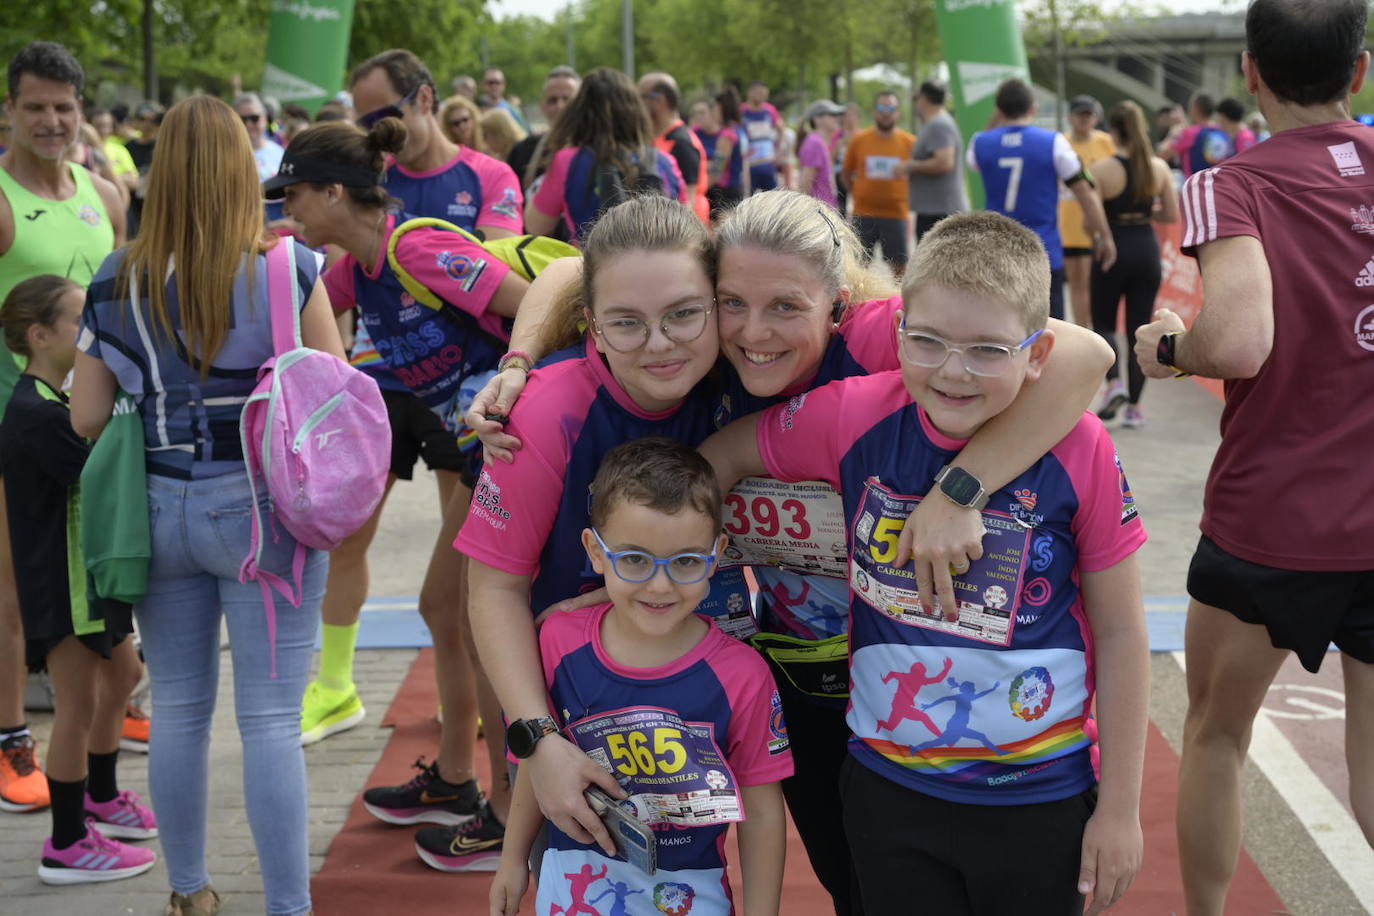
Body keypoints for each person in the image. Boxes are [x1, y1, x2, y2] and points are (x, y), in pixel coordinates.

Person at [464, 190, 1117, 916]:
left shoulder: (876, 341)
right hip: (779, 690)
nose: (752, 332)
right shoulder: (673, 365)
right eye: (730, 304)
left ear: (835, 305)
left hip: (910, 695)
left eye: (782, 309)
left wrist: (960, 489)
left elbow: (1082, 353)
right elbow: (577, 274)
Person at [700, 211, 1150, 916]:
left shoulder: (1081, 446)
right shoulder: (851, 415)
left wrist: (1121, 809)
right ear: (899, 330)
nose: (952, 370)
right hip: (887, 794)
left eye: (987, 351)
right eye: (929, 342)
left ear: (1036, 356)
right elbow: (721, 456)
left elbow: (1123, 631)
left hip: (1042, 799)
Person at [69, 95, 346, 916]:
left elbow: (86, 416)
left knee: (182, 710)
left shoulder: (117, 276)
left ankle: (189, 893)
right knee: (268, 720)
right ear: (239, 168)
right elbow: (332, 394)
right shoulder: (285, 269)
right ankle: (289, 905)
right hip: (266, 513)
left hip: (157, 509)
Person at [1132, 1, 1374, 912]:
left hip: (1274, 519)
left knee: (1217, 737)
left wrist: (1168, 346)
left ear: (1249, 72)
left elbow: (1235, 342)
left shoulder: (1229, 183)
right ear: (1358, 73)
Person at [267, 117, 526, 872]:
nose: (287, 211)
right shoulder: (358, 262)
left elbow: (534, 300)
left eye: (294, 196)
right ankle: (454, 777)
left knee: (477, 619)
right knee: (442, 608)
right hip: (474, 450)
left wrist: (510, 384)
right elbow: (290, 281)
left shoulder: (417, 246)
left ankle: (508, 814)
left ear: (334, 192)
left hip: (507, 446)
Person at [488, 437, 791, 916]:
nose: (660, 585)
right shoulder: (558, 643)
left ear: (717, 555)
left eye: (687, 561)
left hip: (691, 896)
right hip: (575, 889)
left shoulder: (744, 675)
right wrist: (512, 859)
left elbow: (763, 813)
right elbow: (538, 761)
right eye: (634, 559)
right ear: (595, 551)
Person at [0, 40, 125, 818]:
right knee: (14, 590)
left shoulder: (103, 192)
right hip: (14, 426)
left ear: (81, 113)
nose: (50, 120)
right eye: (35, 106)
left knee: (94, 579)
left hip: (89, 426)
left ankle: (98, 717)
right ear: (8, 110)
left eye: (63, 107)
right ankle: (14, 736)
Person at [0, 275, 157, 885]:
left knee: (125, 675)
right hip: (64, 586)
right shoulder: (36, 413)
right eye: (77, 322)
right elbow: (100, 473)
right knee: (77, 704)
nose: (90, 333)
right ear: (40, 336)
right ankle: (66, 842)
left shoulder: (55, 400)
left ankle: (100, 796)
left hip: (86, 576)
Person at [969, 78, 1115, 322]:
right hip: (1042, 249)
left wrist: (998, 116)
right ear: (1033, 108)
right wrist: (1104, 235)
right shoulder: (1054, 142)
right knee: (1048, 325)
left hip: (997, 247)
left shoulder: (980, 143)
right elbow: (1084, 192)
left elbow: (975, 159)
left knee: (1002, 324)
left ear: (1000, 109)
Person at [349, 49, 523, 241]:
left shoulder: (493, 176)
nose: (380, 133)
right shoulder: (371, 184)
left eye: (386, 117)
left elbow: (494, 266)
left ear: (424, 98)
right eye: (368, 125)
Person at [1089, 101, 1179, 429]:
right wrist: (1142, 214)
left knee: (1104, 323)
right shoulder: (1157, 168)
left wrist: (1114, 219)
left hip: (1113, 249)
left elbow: (1091, 223)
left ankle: (1114, 384)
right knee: (1139, 329)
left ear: (1112, 130)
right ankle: (1135, 409)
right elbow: (1170, 214)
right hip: (1145, 248)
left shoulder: (1101, 170)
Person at [525, 68, 686, 246]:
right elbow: (686, 223)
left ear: (578, 112)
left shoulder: (568, 160)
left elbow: (536, 225)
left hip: (597, 268)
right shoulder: (665, 161)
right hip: (662, 267)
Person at [842, 91, 916, 276]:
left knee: (900, 268)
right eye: (882, 107)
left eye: (890, 108)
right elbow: (845, 173)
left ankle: (900, 304)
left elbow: (918, 175)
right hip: (863, 212)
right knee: (858, 268)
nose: (886, 112)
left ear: (898, 112)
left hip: (896, 214)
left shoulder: (909, 142)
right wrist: (857, 193)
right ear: (875, 112)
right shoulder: (859, 141)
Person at [1059, 96, 1117, 328]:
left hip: (1102, 221)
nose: (1084, 119)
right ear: (1070, 117)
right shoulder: (1060, 142)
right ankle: (1083, 330)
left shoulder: (1106, 142)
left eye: (1088, 114)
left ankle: (1099, 330)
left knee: (1101, 285)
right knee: (1078, 284)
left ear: (1096, 117)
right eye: (1079, 114)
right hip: (1069, 222)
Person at [639, 71, 710, 223]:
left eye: (641, 97)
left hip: (682, 231)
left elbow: (689, 200)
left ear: (659, 101)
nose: (637, 105)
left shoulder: (682, 142)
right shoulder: (658, 137)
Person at [904, 80, 968, 243]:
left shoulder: (939, 125)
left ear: (924, 98)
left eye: (916, 98)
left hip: (940, 213)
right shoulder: (935, 123)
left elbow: (944, 162)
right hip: (934, 210)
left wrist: (910, 166)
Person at [507, 66, 580, 191]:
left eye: (567, 99)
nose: (560, 106)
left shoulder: (599, 153)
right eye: (553, 100)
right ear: (543, 106)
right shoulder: (523, 151)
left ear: (581, 104)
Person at [691, 89, 748, 219]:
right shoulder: (739, 129)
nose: (713, 113)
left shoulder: (727, 135)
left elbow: (717, 170)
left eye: (715, 109)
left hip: (724, 193)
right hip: (736, 187)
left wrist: (698, 192)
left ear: (722, 109)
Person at [1162, 92, 1231, 178]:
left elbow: (1162, 156)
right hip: (1218, 185)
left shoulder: (1190, 133)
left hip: (1195, 186)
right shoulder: (1224, 134)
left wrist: (1173, 132)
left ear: (1195, 108)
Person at [798, 100, 845, 208]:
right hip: (819, 212)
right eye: (832, 114)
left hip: (825, 210)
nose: (837, 118)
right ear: (817, 119)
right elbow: (805, 185)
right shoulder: (815, 143)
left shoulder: (819, 142)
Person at [124, 102, 161, 236]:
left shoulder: (162, 147)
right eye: (142, 119)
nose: (147, 124)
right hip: (133, 206)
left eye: (151, 120)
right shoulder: (128, 147)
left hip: (154, 205)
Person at [740, 81, 783, 193]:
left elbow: (781, 129)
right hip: (748, 166)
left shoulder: (770, 110)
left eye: (764, 95)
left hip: (768, 164)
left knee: (772, 199)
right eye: (759, 93)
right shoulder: (741, 111)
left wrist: (778, 151)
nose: (762, 97)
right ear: (750, 93)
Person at [88, 107, 138, 200]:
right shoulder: (82, 151)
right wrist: (120, 179)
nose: (104, 130)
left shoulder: (120, 149)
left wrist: (107, 178)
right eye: (99, 126)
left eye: (107, 125)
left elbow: (134, 181)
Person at [234, 92, 285, 182]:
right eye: (242, 119)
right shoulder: (225, 154)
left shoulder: (280, 154)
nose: (248, 124)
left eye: (254, 118)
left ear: (265, 118)